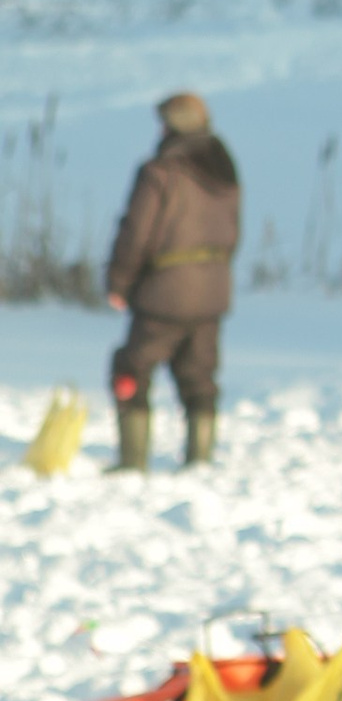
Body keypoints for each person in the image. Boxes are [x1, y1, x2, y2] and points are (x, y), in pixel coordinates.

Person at [105, 92, 240, 471]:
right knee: (200, 378)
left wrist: (119, 281)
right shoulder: (225, 171)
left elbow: (136, 232)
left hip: (164, 294)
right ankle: (200, 462)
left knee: (131, 368)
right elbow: (234, 233)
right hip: (212, 292)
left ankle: (132, 463)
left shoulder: (160, 172)